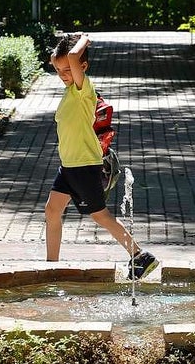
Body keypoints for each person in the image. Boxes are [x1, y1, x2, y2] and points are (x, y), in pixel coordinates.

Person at [44, 32, 159, 280]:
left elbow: (73, 55)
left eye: (68, 69)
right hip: (69, 166)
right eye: (59, 71)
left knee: (99, 215)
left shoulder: (83, 89)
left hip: (85, 165)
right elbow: (60, 58)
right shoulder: (69, 91)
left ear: (82, 67)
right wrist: (63, 49)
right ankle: (50, 266)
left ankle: (140, 256)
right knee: (52, 211)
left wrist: (83, 38)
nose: (63, 74)